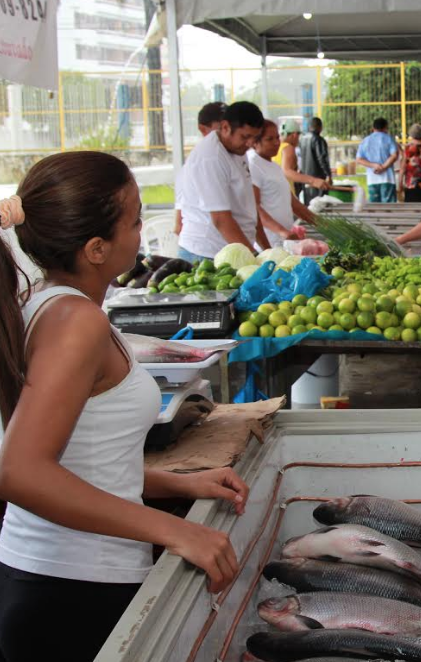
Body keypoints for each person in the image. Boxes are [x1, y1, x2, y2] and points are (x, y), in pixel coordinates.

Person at [0, 152, 248, 662]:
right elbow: (20, 471)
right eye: (135, 221)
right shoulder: (73, 322)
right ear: (95, 248)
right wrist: (175, 529)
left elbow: (85, 458)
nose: (142, 233)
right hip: (71, 590)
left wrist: (176, 483)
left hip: (68, 580)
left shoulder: (59, 305)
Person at [177, 100, 268, 262]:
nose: (249, 144)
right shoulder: (210, 158)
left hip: (233, 251)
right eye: (245, 137)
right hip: (206, 255)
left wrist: (267, 251)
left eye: (254, 138)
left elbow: (249, 207)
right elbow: (221, 219)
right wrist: (253, 260)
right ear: (225, 127)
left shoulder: (238, 149)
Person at [248, 120, 309, 248]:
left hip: (285, 240)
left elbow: (293, 203)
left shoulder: (274, 167)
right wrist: (281, 231)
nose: (276, 142)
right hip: (269, 242)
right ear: (255, 142)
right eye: (269, 139)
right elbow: (255, 208)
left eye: (277, 137)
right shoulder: (253, 166)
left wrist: (322, 223)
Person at [173, 101, 226, 235]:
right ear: (203, 129)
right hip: (203, 250)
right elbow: (179, 224)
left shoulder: (232, 158)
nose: (227, 132)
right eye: (222, 127)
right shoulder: (201, 162)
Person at [276, 118, 329, 200]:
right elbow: (286, 171)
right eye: (299, 135)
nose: (298, 138)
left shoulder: (276, 148)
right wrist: (313, 181)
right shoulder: (288, 147)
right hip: (286, 196)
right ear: (294, 135)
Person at [356, 117, 400, 203]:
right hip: (388, 179)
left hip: (372, 180)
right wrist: (383, 167)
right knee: (389, 209)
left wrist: (374, 165)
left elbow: (359, 159)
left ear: (373, 128)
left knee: (375, 208)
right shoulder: (389, 138)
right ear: (385, 127)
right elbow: (394, 155)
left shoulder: (365, 140)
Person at [299, 117, 332, 204]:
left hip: (305, 178)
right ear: (320, 127)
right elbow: (322, 158)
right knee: (319, 205)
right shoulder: (318, 140)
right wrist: (328, 174)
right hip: (318, 179)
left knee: (309, 205)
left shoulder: (301, 140)